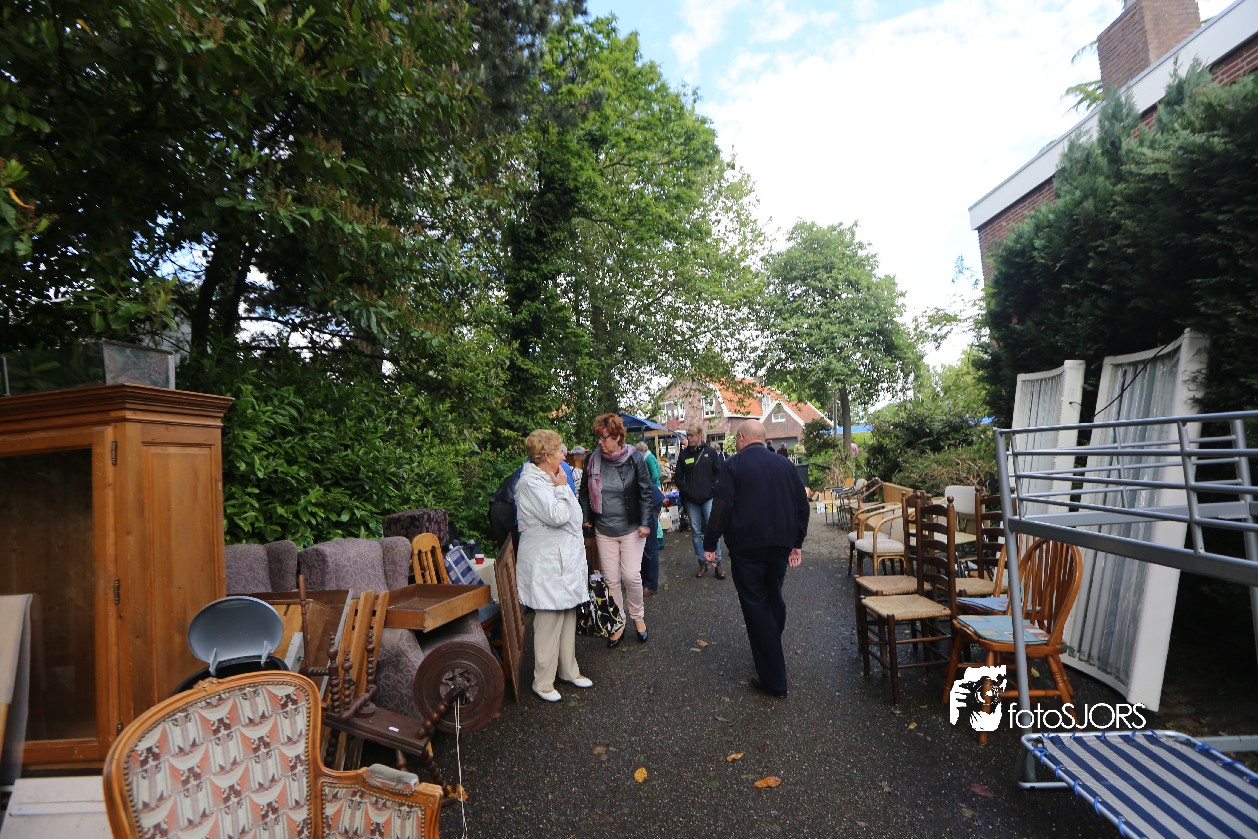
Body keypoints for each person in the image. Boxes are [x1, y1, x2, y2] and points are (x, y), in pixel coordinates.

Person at [703, 420, 809, 698]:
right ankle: (769, 648)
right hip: (779, 546)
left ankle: (774, 679)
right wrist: (797, 542)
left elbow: (721, 506)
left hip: (747, 548)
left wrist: (710, 541)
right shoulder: (785, 465)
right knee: (773, 597)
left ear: (740, 437)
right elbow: (802, 504)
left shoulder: (733, 466)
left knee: (756, 607)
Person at [515, 429, 593, 702]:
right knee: (549, 618)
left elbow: (572, 513)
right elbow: (558, 516)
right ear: (547, 456)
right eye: (560, 450)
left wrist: (561, 486)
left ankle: (568, 670)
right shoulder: (531, 483)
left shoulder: (554, 477)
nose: (564, 454)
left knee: (567, 612)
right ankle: (543, 681)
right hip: (546, 561)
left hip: (563, 558)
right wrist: (562, 488)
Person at [578, 413, 654, 647]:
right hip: (604, 530)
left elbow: (645, 492)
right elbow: (584, 492)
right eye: (598, 438)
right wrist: (586, 516)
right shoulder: (592, 459)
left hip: (631, 528)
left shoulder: (635, 459)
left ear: (618, 437)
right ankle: (618, 622)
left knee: (630, 576)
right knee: (611, 580)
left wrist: (645, 523)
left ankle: (638, 617)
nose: (600, 442)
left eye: (604, 438)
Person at [674, 426, 725, 579]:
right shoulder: (684, 454)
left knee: (712, 529)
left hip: (708, 498)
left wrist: (712, 488)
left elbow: (718, 472)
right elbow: (678, 477)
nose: (688, 438)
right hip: (691, 501)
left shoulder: (710, 452)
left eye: (691, 435)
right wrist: (686, 490)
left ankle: (717, 563)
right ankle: (702, 563)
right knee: (696, 532)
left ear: (699, 435)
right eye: (687, 436)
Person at [635, 441, 664, 597]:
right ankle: (645, 580)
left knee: (650, 545)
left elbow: (652, 477)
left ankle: (651, 584)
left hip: (651, 501)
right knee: (645, 545)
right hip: (648, 500)